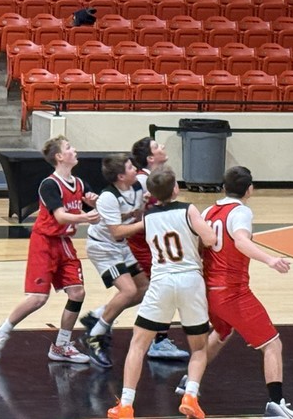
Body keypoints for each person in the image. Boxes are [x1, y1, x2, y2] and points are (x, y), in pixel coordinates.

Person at [175, 165, 293, 419]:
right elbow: (242, 241)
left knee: (222, 331)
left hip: (207, 289)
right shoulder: (241, 212)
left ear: (224, 187)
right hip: (231, 291)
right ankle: (276, 404)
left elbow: (199, 243)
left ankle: (189, 380)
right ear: (250, 190)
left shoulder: (209, 210)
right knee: (272, 344)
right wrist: (270, 260)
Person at [108, 166, 215, 419]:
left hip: (162, 281)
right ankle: (190, 395)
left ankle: (125, 405)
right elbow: (209, 239)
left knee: (138, 344)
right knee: (199, 348)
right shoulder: (189, 209)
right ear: (176, 188)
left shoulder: (149, 216)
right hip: (190, 280)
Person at [0, 136, 100, 364]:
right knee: (37, 298)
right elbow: (60, 215)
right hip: (44, 243)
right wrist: (85, 216)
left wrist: (94, 204)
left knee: (77, 293)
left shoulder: (80, 184)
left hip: (64, 243)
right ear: (59, 156)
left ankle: (62, 345)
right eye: (69, 147)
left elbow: (92, 208)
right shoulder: (49, 185)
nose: (74, 149)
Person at [111, 136, 189, 360]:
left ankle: (101, 319)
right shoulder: (144, 180)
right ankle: (159, 340)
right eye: (157, 146)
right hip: (142, 240)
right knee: (160, 288)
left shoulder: (152, 178)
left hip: (152, 240)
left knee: (144, 291)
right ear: (150, 158)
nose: (162, 147)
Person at [82, 154, 149, 368]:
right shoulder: (109, 197)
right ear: (121, 176)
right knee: (128, 291)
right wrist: (145, 223)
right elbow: (117, 231)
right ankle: (95, 335)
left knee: (144, 288)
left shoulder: (138, 186)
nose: (135, 169)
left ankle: (99, 315)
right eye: (130, 167)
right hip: (103, 247)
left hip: (121, 245)